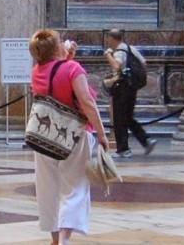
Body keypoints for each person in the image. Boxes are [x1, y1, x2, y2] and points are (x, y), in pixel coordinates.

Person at [29, 28, 108, 245]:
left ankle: (55, 239)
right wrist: (102, 134)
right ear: (56, 48)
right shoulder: (73, 68)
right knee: (75, 187)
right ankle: (64, 238)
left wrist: (65, 59)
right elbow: (87, 103)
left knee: (48, 188)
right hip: (74, 136)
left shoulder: (36, 70)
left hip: (43, 137)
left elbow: (53, 81)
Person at [102, 29, 154, 159]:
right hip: (132, 88)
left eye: (108, 38)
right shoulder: (130, 48)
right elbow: (144, 63)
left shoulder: (119, 51)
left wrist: (108, 54)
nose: (107, 41)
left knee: (119, 118)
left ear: (113, 39)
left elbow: (116, 66)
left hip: (122, 88)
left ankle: (123, 149)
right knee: (128, 117)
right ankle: (146, 140)